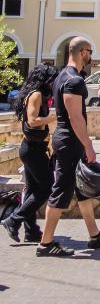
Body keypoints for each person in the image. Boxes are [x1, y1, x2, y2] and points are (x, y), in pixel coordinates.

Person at [36, 37, 100, 257]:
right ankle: (46, 243)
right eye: (90, 52)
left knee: (82, 189)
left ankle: (95, 235)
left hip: (66, 139)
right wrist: (88, 145)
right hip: (70, 141)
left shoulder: (62, 75)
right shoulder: (74, 80)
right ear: (82, 52)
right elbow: (75, 118)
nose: (91, 56)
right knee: (61, 190)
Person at [1, 65, 57, 243]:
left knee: (33, 189)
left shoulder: (35, 93)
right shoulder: (36, 94)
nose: (54, 83)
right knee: (47, 188)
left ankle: (31, 231)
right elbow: (33, 121)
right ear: (45, 79)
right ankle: (14, 219)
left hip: (33, 148)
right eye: (52, 79)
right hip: (33, 150)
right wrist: (54, 117)